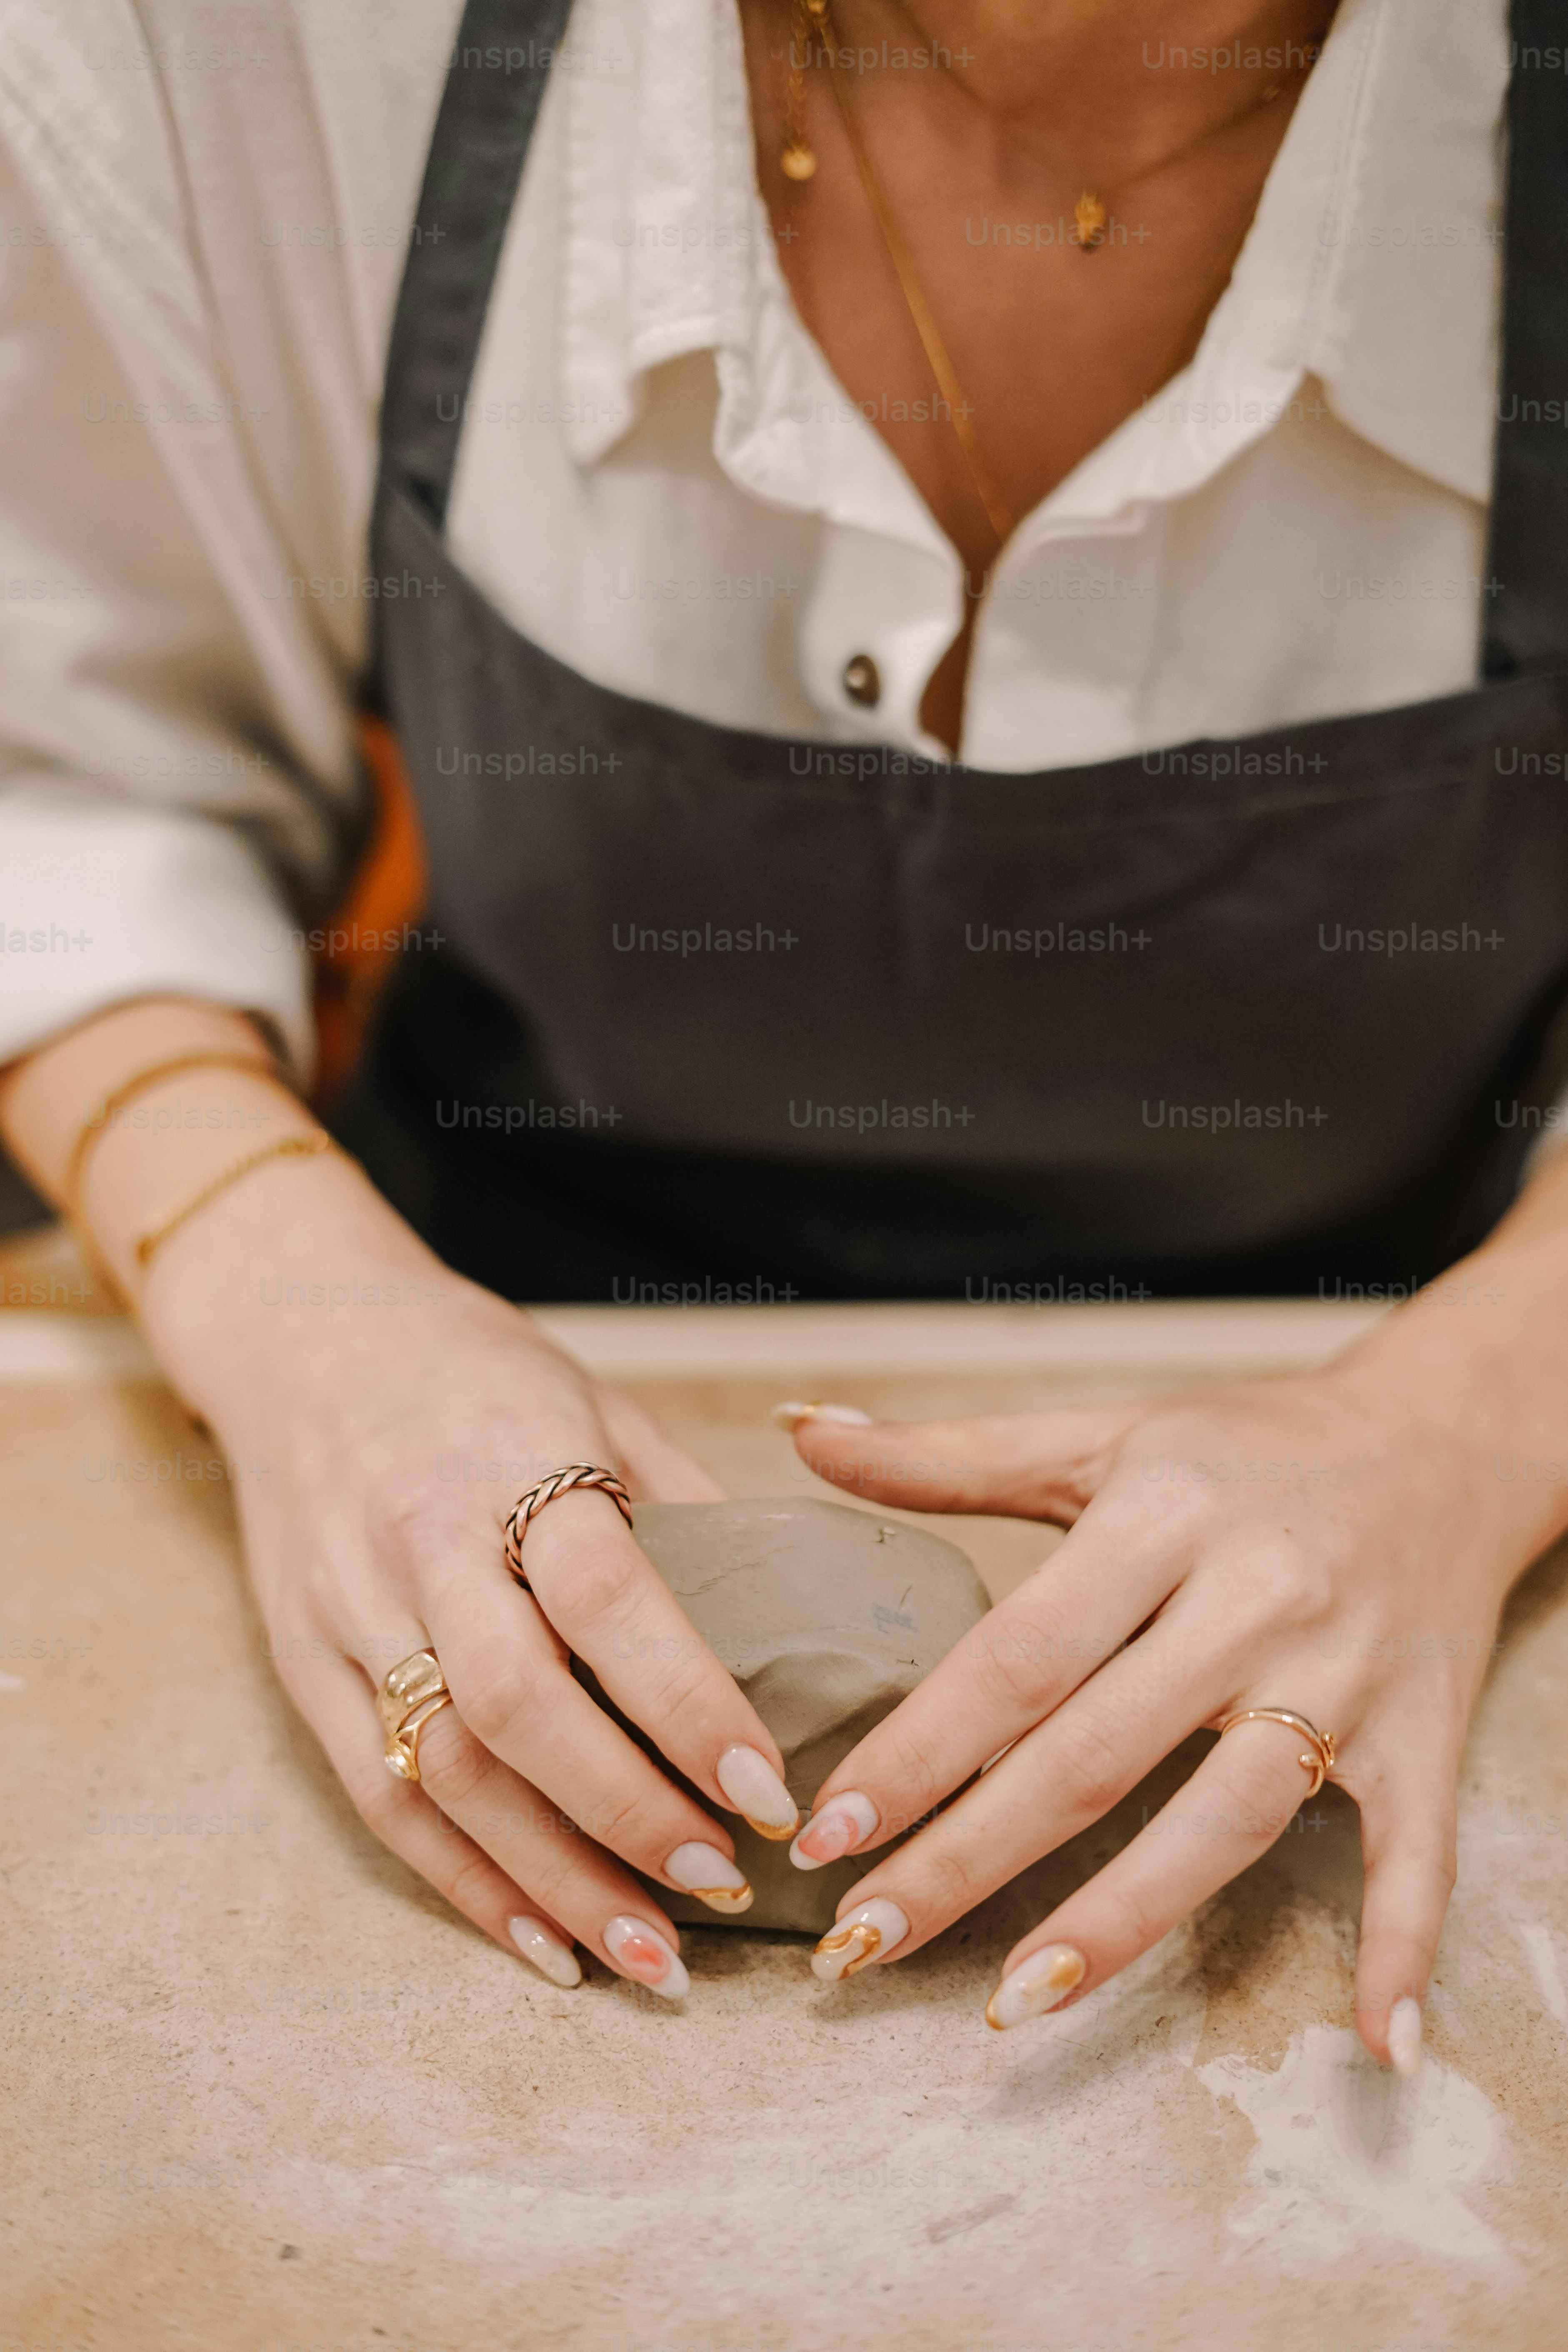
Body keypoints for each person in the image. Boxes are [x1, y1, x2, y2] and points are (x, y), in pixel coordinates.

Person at [0, 0, 1559, 2064]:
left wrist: (1463, 1420)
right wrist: (300, 1323)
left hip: (1434, 1331)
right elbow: (73, 784)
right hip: (457, 1291)